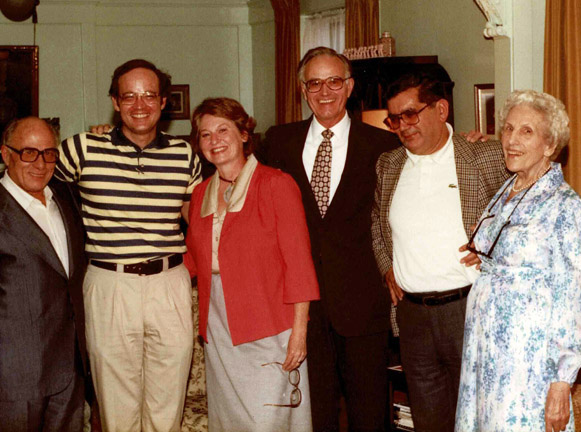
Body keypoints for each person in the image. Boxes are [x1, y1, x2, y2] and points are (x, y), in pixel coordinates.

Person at [0, 59, 202, 432]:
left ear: (165, 102)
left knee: (169, 403)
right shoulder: (84, 148)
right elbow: (28, 169)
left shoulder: (186, 155)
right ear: (115, 102)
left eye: (149, 95)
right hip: (109, 283)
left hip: (169, 282)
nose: (140, 104)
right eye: (128, 95)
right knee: (117, 409)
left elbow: (201, 217)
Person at [258, 46, 401, 432]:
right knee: (312, 416)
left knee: (369, 416)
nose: (325, 91)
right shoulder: (278, 141)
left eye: (334, 81)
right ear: (303, 90)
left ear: (350, 86)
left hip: (362, 306)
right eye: (315, 83)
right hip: (301, 310)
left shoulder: (383, 146)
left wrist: (469, 139)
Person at [371, 72, 509, 431]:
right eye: (395, 119)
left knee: (480, 419)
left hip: (469, 310)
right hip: (412, 317)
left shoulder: (486, 155)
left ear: (441, 109)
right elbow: (377, 224)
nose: (402, 126)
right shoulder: (388, 165)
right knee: (430, 422)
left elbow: (528, 210)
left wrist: (497, 248)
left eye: (411, 114)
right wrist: (388, 266)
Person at [455, 90, 581, 432]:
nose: (512, 140)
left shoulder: (564, 205)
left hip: (526, 358)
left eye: (526, 132)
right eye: (509, 129)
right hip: (485, 350)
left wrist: (562, 380)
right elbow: (509, 247)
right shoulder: (508, 190)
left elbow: (569, 293)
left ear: (549, 145)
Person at [184, 97, 320, 431]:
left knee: (268, 419)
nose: (214, 140)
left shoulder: (276, 184)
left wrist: (299, 333)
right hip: (217, 322)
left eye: (223, 130)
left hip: (270, 322)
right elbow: (191, 260)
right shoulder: (200, 194)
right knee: (228, 418)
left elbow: (299, 264)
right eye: (205, 134)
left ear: (245, 133)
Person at [0, 117, 88, 432]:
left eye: (49, 153)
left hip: (70, 371)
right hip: (11, 381)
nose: (40, 164)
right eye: (29, 153)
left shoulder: (68, 199)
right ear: (6, 154)